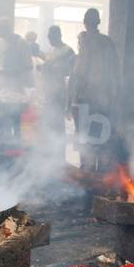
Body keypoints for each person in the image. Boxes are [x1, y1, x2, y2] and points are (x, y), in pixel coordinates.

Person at [69, 8, 119, 170]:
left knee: (85, 137)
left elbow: (80, 71)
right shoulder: (107, 42)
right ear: (98, 22)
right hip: (103, 99)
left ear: (85, 22)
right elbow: (116, 70)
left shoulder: (86, 41)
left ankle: (88, 170)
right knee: (98, 136)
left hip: (87, 98)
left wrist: (73, 97)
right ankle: (100, 171)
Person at [37, 25, 75, 163]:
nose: (49, 39)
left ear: (58, 35)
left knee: (58, 126)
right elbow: (48, 66)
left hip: (58, 93)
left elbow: (69, 72)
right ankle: (50, 157)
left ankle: (59, 158)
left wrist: (49, 69)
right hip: (48, 93)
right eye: (48, 37)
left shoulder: (68, 51)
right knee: (48, 126)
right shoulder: (51, 51)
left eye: (51, 36)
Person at [0, 19, 31, 94]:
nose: (0, 30)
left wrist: (12, 71)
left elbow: (29, 66)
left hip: (15, 87)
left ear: (10, 28)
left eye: (3, 27)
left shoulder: (21, 42)